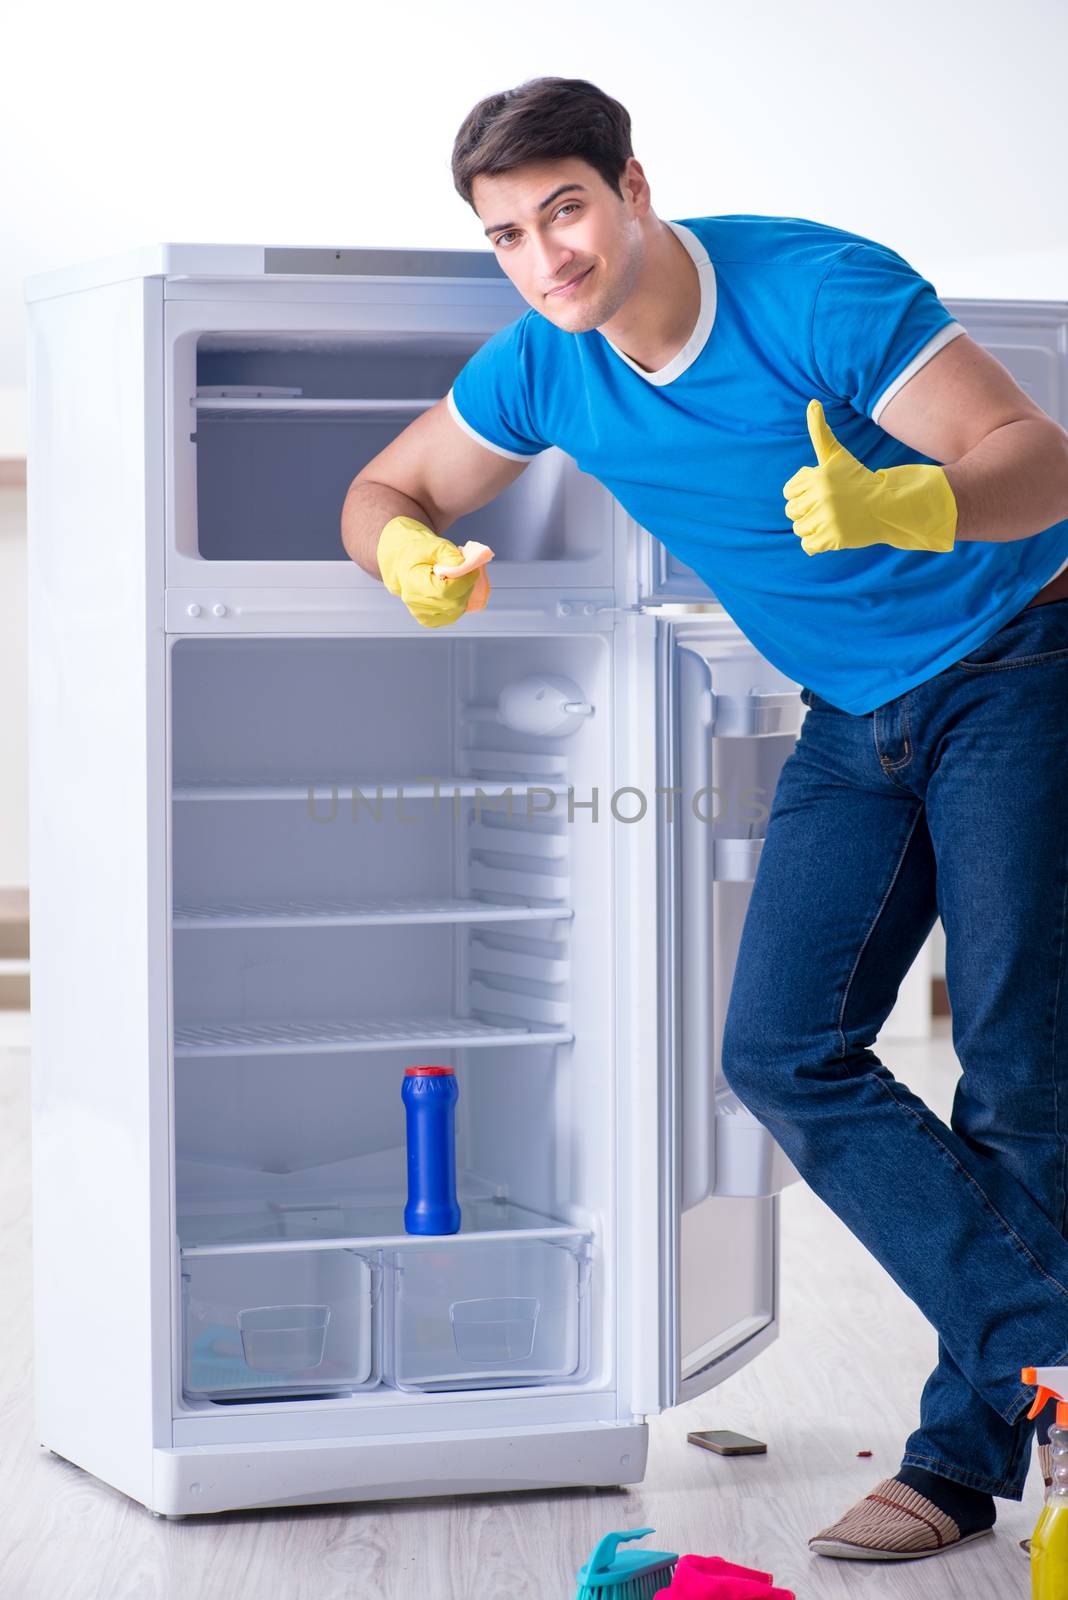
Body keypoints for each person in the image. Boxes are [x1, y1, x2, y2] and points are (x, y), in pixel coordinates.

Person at [340, 75, 1068, 1562]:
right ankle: (1050, 1356)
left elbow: (1040, 459)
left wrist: (916, 505)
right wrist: (407, 556)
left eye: (567, 209)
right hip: (856, 717)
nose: (549, 255)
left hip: (1021, 663)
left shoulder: (818, 289)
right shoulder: (546, 363)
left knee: (1016, 1072)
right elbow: (388, 484)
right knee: (779, 1048)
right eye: (509, 235)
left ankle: (956, 1463)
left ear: (631, 187)